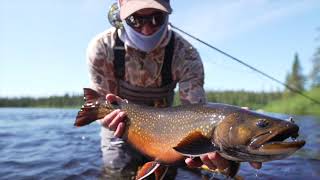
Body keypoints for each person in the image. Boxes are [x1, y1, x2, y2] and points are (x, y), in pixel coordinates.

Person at [86, 0, 261, 179]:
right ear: (121, 16)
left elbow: (198, 115)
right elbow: (101, 105)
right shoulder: (102, 48)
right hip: (120, 129)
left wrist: (231, 134)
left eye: (156, 19)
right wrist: (107, 119)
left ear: (168, 15)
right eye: (135, 20)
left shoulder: (186, 54)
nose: (146, 29)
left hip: (168, 130)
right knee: (117, 173)